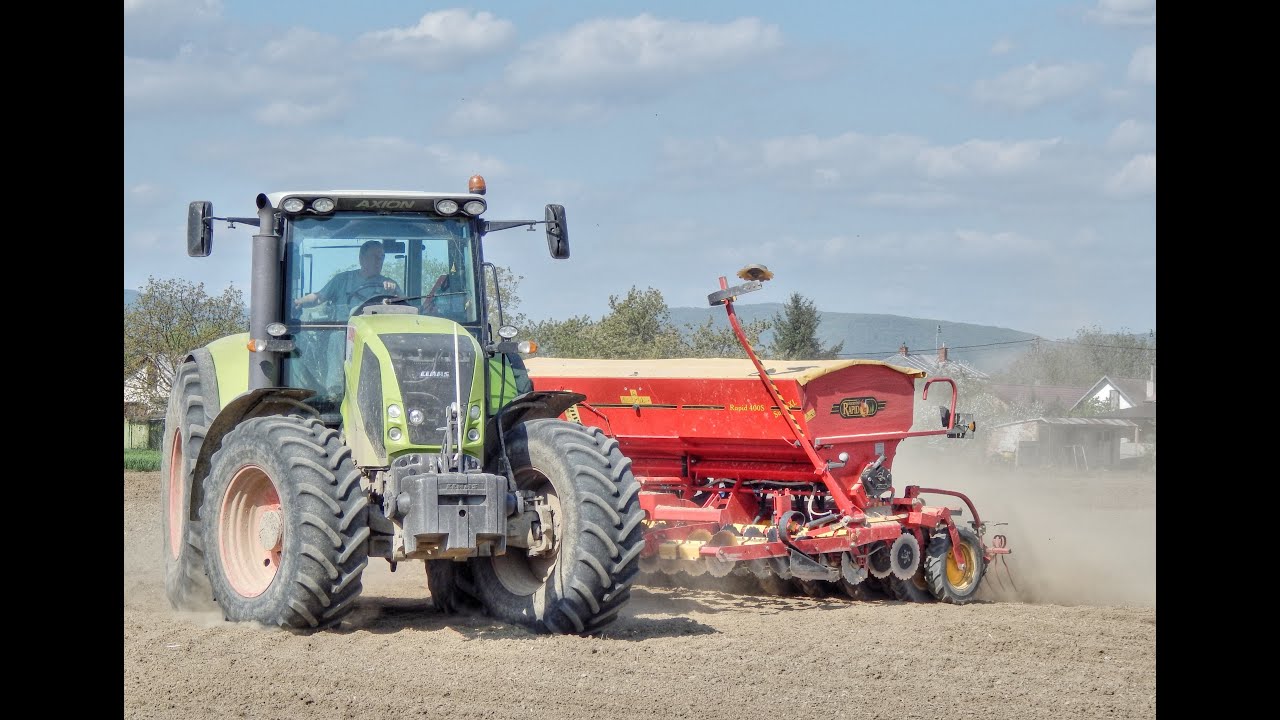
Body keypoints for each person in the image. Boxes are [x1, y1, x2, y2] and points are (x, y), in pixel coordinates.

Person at [294, 240, 400, 317]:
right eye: (374, 257)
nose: (379, 261)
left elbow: (407, 309)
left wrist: (394, 295)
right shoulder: (341, 280)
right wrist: (298, 303)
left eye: (382, 257)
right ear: (362, 258)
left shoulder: (390, 286)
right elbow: (318, 297)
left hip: (374, 337)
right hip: (342, 333)